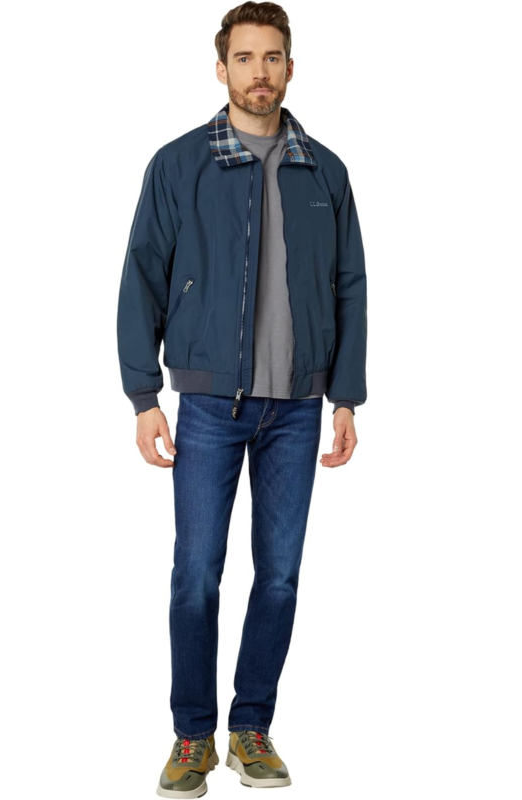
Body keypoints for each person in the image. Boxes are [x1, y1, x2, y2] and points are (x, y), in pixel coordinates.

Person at [116, 2, 367, 795]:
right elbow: (141, 275)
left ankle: (250, 727)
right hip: (207, 408)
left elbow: (350, 286)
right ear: (221, 67)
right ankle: (193, 737)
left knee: (281, 576)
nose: (261, 72)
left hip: (297, 408)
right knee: (196, 575)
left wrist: (346, 398)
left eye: (273, 57)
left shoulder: (325, 171)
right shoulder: (179, 165)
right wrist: (143, 395)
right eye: (246, 57)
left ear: (291, 67)